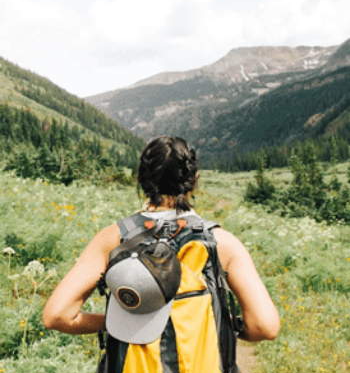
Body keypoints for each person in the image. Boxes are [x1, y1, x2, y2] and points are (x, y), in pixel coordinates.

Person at [43, 134, 279, 350]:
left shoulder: (113, 238)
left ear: (142, 180)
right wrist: (216, 324)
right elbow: (265, 327)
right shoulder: (222, 242)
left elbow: (57, 316)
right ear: (194, 180)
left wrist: (113, 323)